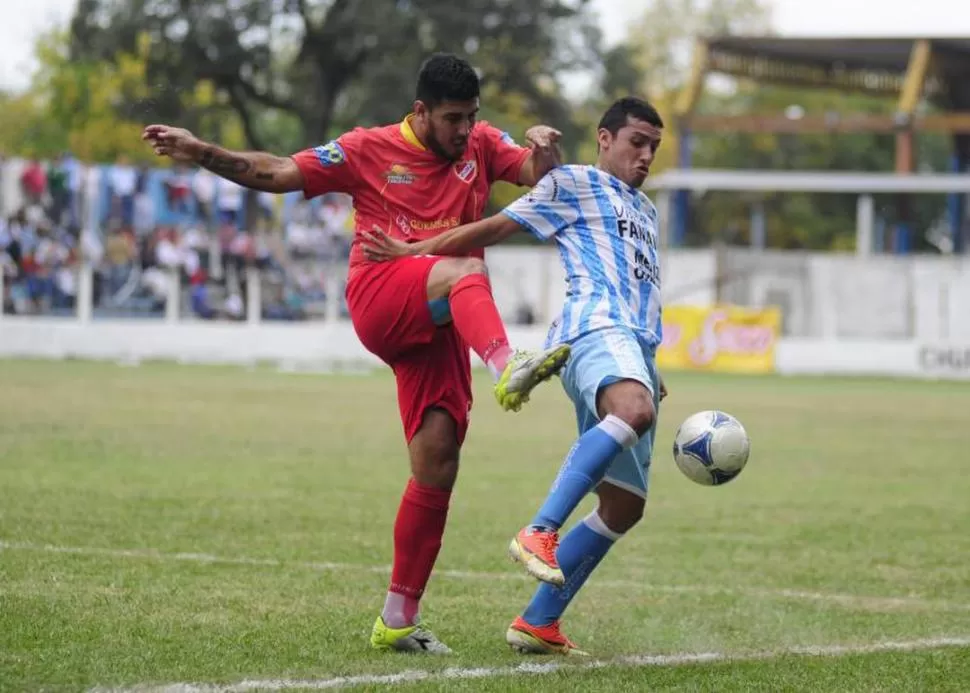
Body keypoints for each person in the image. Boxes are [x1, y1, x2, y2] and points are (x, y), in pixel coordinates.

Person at [142, 52, 571, 655]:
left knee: (439, 459)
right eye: (452, 118)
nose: (463, 131)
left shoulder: (479, 144)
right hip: (382, 295)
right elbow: (275, 172)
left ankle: (397, 619)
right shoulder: (367, 148)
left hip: (445, 317)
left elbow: (533, 171)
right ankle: (509, 367)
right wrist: (202, 151)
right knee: (457, 267)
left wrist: (544, 149)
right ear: (419, 111)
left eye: (471, 117)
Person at [362, 96, 668, 656]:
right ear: (604, 139)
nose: (645, 156)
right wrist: (413, 249)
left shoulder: (646, 212)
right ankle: (540, 530)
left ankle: (538, 622)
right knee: (632, 412)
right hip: (594, 330)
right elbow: (492, 228)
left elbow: (643, 289)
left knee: (625, 504)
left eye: (653, 147)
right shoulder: (573, 182)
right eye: (636, 143)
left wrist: (651, 367)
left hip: (634, 348)